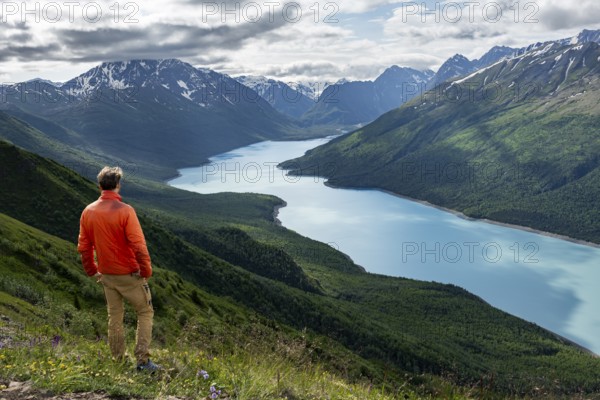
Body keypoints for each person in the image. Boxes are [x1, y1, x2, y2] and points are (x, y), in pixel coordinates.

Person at [78, 166, 160, 372]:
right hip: (129, 274)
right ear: (117, 185)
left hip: (106, 274)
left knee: (114, 316)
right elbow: (139, 245)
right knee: (145, 311)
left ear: (99, 186)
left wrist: (92, 270)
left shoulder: (88, 211)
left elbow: (84, 246)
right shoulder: (125, 211)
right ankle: (142, 361)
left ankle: (117, 360)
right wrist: (146, 271)